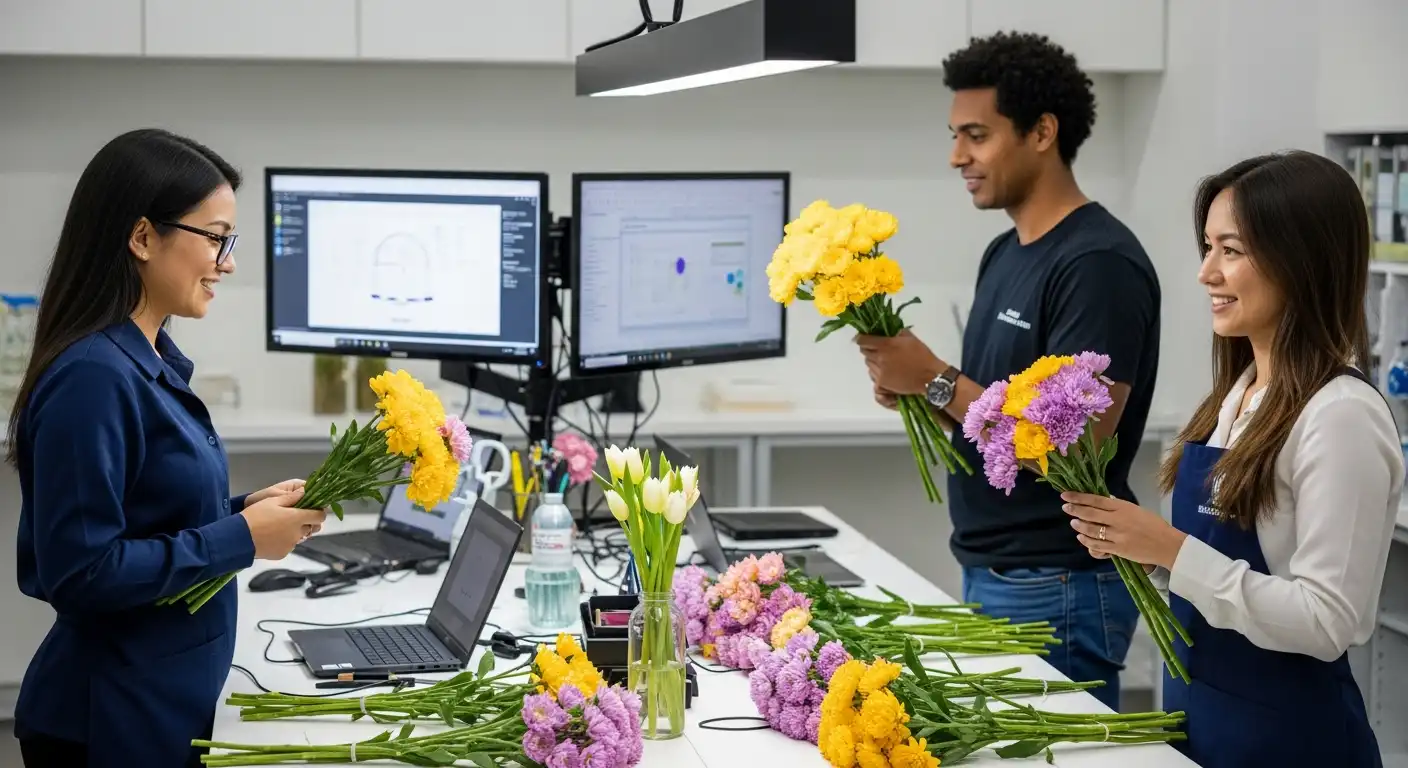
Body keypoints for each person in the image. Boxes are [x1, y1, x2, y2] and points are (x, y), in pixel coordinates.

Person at [856, 31, 1161, 709]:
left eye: (975, 134)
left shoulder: (1097, 265)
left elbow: (1074, 446)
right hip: (1002, 571)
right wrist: (918, 390)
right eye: (955, 134)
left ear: (1043, 131)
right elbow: (995, 417)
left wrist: (935, 377)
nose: (956, 155)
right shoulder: (1006, 252)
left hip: (1059, 582)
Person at [1063, 150, 1398, 767]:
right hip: (1203, 723)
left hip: (1291, 743)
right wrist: (1139, 550)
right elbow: (1212, 581)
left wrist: (1169, 548)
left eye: (1231, 250)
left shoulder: (1340, 414)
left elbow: (1327, 622)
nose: (1205, 273)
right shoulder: (1239, 394)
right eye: (1207, 248)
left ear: (1302, 260)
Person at [9, 128, 328, 768]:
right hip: (109, 723)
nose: (228, 261)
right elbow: (82, 573)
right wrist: (241, 536)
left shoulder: (148, 358)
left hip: (161, 701)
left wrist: (246, 510)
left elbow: (149, 516)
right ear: (143, 237)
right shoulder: (94, 377)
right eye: (215, 238)